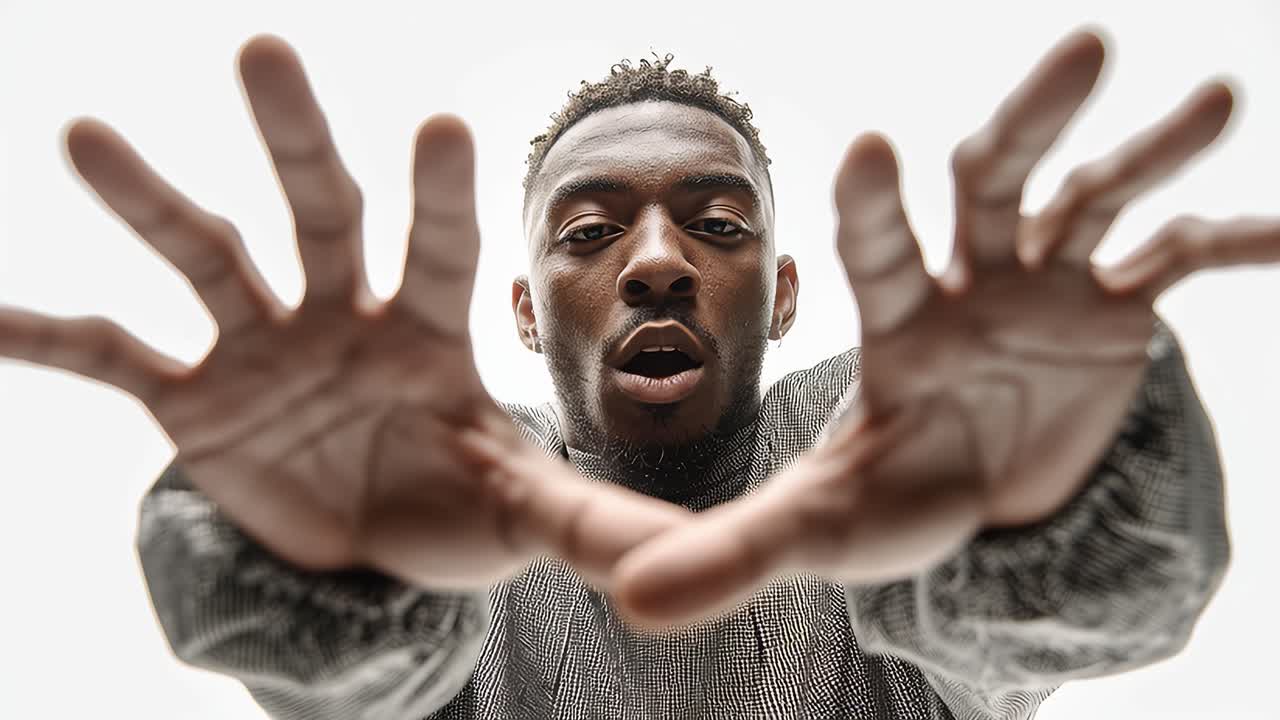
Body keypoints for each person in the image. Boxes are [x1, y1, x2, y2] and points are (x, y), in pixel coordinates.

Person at [2, 28, 1278, 720]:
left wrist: (1048, 483)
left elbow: (1059, 629)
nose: (657, 262)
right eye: (587, 230)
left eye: (718, 225)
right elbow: (341, 691)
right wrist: (314, 556)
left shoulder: (876, 432)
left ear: (782, 297)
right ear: (518, 311)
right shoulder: (441, 489)